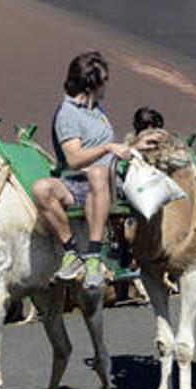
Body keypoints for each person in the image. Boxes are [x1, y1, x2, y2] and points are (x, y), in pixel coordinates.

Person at [32, 50, 160, 289]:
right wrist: (107, 148)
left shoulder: (96, 111)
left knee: (98, 173)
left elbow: (107, 152)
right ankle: (72, 252)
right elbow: (74, 159)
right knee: (41, 189)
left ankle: (93, 254)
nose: (106, 85)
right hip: (78, 182)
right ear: (91, 83)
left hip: (107, 182)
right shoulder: (67, 114)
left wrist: (133, 146)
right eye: (104, 79)